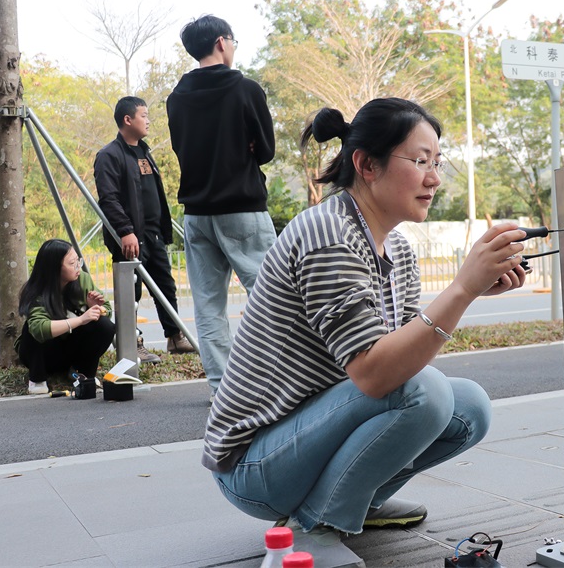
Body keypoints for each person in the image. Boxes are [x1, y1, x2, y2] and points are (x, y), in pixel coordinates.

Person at [203, 98, 527, 561]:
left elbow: (399, 354)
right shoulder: (329, 236)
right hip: (255, 463)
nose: (434, 178)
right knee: (427, 393)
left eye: (437, 162)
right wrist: (461, 287)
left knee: (469, 406)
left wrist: (471, 290)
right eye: (419, 162)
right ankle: (312, 525)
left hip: (310, 432)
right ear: (366, 165)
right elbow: (376, 376)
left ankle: (358, 500)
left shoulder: (396, 247)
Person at [167, 15, 277, 393]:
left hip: (197, 214)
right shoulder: (246, 89)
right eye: (233, 41)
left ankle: (222, 389)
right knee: (273, 296)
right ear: (221, 42)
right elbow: (265, 151)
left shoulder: (176, 98)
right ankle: (279, 381)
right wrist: (242, 145)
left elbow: (183, 148)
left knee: (208, 307)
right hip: (242, 208)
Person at [94, 96, 194, 364]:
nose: (148, 120)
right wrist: (126, 231)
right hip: (129, 238)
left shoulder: (145, 152)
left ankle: (175, 337)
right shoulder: (109, 155)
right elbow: (109, 199)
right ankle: (132, 344)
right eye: (144, 115)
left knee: (166, 286)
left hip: (153, 235)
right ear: (128, 120)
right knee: (131, 294)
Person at [16, 239, 115, 395]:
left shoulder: (82, 279)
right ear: (55, 268)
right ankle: (37, 379)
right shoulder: (36, 292)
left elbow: (107, 309)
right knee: (31, 328)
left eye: (78, 261)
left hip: (71, 349)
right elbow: (39, 330)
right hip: (44, 354)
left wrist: (94, 307)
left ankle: (83, 373)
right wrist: (81, 319)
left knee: (104, 325)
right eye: (72, 263)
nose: (78, 267)